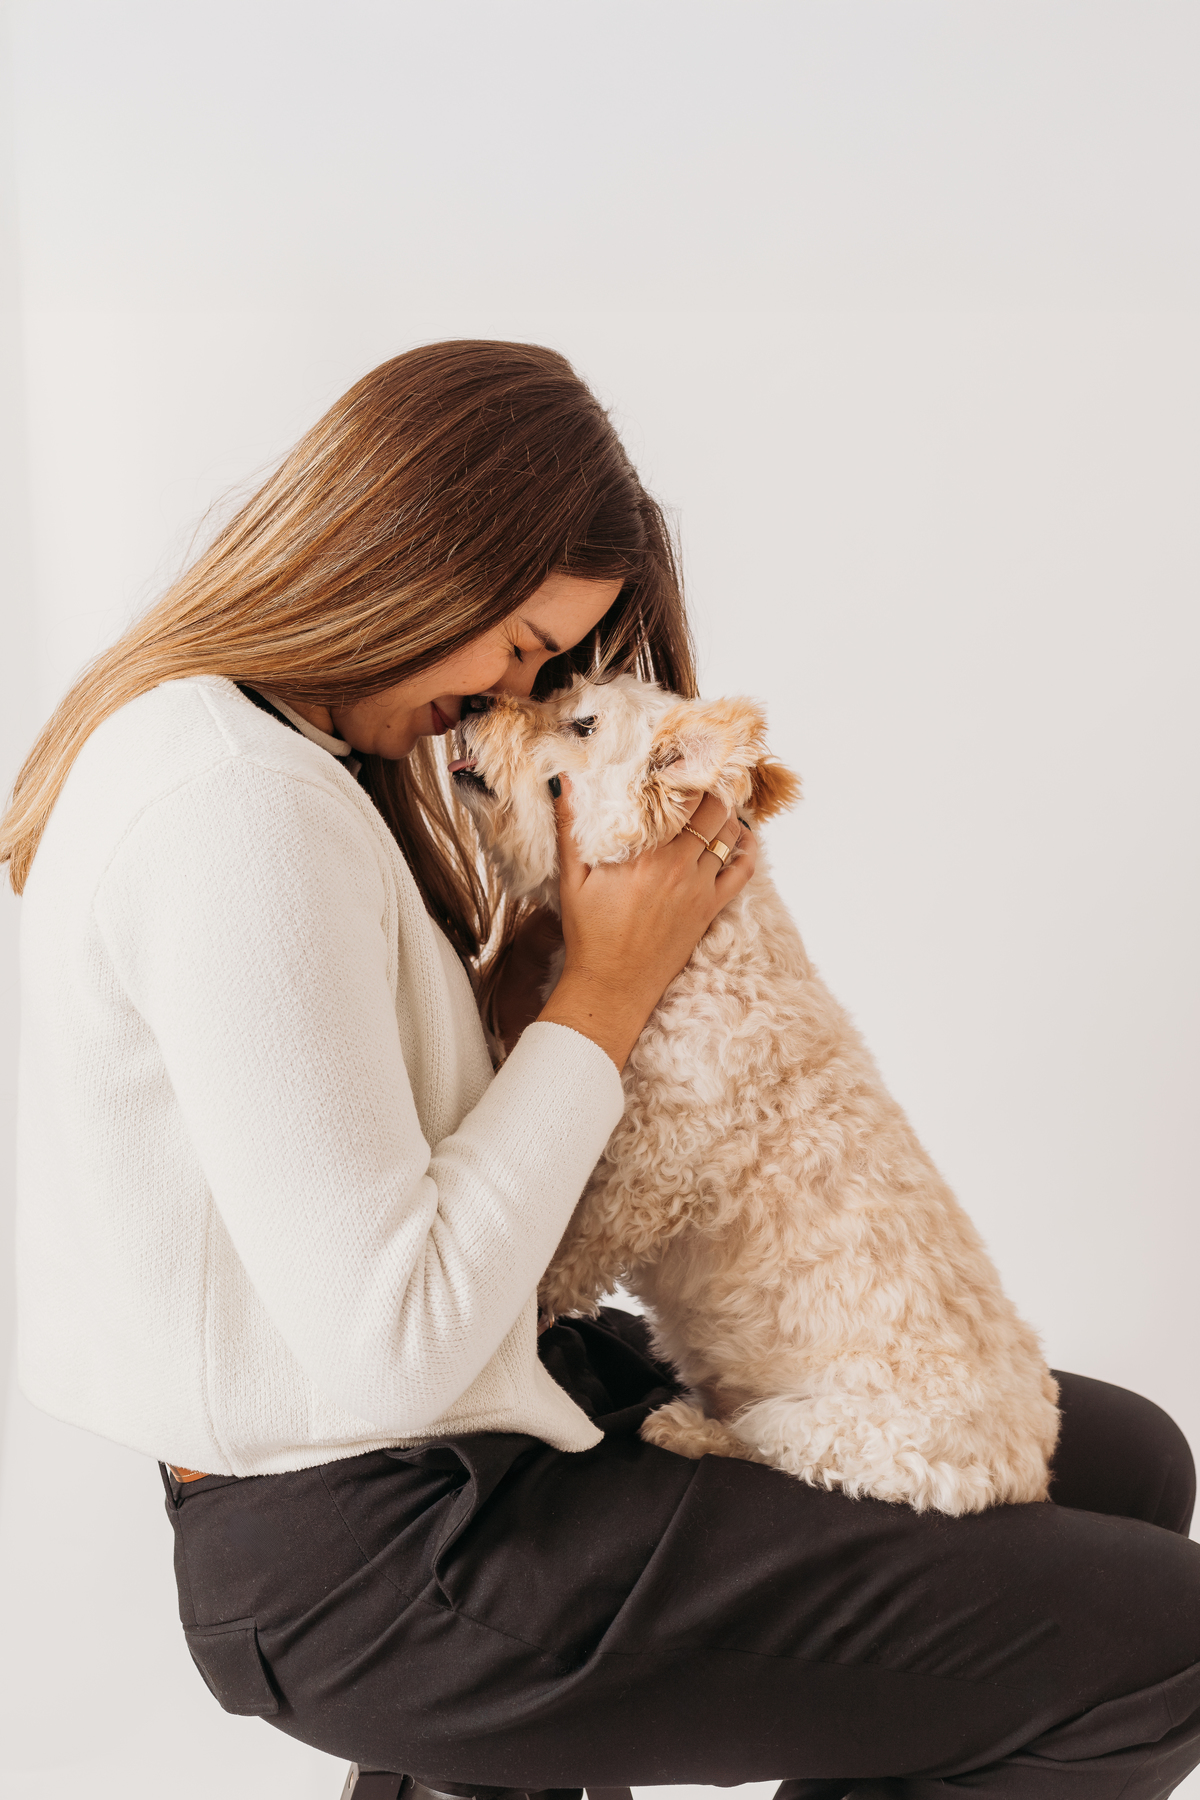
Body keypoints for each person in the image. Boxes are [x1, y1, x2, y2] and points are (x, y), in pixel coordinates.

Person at [5, 340, 1199, 1800]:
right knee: (1171, 1643)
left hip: (468, 1429)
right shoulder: (234, 814)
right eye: (513, 645)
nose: (512, 690)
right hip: (387, 1542)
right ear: (406, 558)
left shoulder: (273, 751)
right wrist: (611, 987)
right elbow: (397, 1340)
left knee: (1130, 1459)